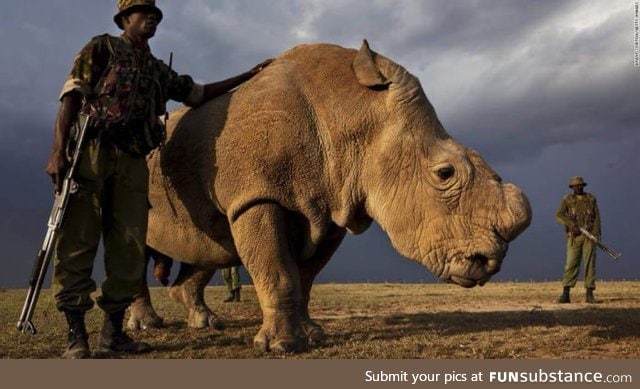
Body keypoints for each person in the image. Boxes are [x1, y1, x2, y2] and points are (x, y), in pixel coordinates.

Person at [46, 0, 272, 359]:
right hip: (91, 151)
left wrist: (248, 74)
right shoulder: (102, 47)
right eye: (143, 12)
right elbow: (70, 97)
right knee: (79, 240)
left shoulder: (156, 69)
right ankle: (76, 336)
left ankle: (113, 335)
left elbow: (198, 93)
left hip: (136, 161)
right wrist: (58, 151)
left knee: (130, 245)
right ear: (125, 18)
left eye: (156, 14)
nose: (152, 18)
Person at [555, 176, 601, 304]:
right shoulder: (567, 199)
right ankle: (565, 294)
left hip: (589, 236)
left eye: (580, 185)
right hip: (573, 237)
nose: (578, 187)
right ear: (572, 187)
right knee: (571, 264)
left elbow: (596, 216)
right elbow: (559, 215)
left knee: (590, 264)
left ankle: (589, 294)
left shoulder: (591, 198)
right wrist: (571, 225)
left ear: (583, 186)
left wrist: (596, 233)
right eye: (575, 186)